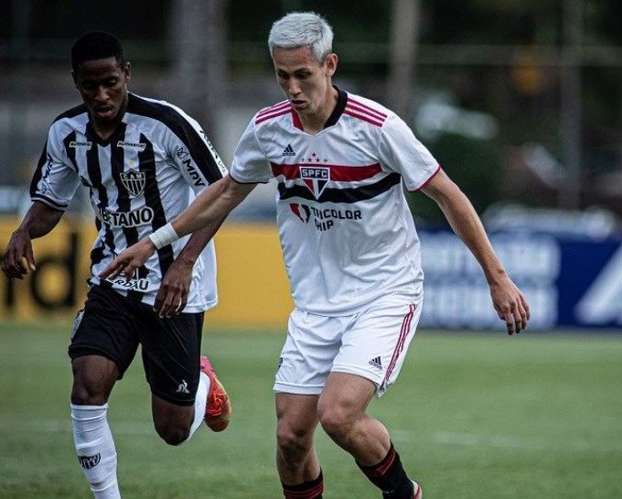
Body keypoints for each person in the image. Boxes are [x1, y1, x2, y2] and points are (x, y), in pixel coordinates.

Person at [102, 12, 529, 499]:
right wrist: (159, 244)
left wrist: (497, 278)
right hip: (315, 305)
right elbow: (226, 192)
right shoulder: (267, 129)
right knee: (290, 437)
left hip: (384, 293)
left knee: (339, 414)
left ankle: (402, 493)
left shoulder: (378, 127)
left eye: (303, 74)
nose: (292, 88)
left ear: (330, 65)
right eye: (282, 76)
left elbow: (448, 194)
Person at [1, 32, 232, 499]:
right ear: (76, 83)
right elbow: (51, 202)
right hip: (112, 279)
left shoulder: (166, 124)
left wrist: (184, 263)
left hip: (174, 285)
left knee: (172, 428)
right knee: (88, 385)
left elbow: (222, 192)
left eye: (110, 82)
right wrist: (24, 231)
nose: (102, 95)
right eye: (90, 86)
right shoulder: (66, 133)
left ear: (126, 74)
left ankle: (202, 385)